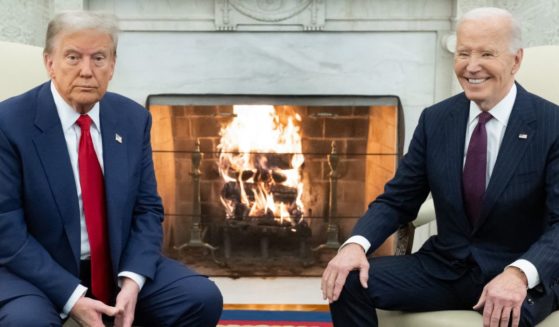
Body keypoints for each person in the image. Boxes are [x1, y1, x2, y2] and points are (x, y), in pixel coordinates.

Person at [321, 7, 559, 327]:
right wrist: (355, 245)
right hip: (445, 267)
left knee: (509, 315)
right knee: (348, 281)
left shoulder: (551, 124)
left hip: (519, 272)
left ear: (516, 60)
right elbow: (398, 199)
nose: (471, 66)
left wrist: (519, 273)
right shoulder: (436, 120)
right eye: (463, 53)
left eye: (486, 53)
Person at [0, 10, 222, 327]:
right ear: (50, 63)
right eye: (73, 57)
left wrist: (133, 281)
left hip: (115, 263)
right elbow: (6, 231)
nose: (87, 71)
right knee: (26, 322)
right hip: (36, 270)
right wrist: (72, 296)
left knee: (201, 299)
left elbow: (147, 209)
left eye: (99, 58)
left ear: (113, 65)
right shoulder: (9, 122)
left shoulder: (132, 119)